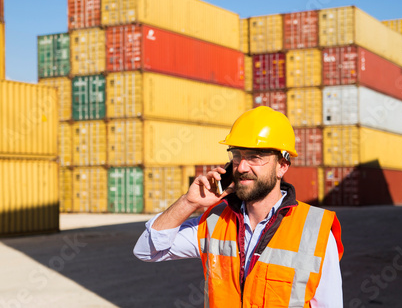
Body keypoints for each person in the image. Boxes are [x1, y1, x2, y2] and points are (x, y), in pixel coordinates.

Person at [134, 106, 344, 307]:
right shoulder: (214, 222)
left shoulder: (315, 232)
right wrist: (189, 202)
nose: (242, 167)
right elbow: (147, 250)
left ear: (282, 166)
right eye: (237, 156)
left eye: (255, 157)